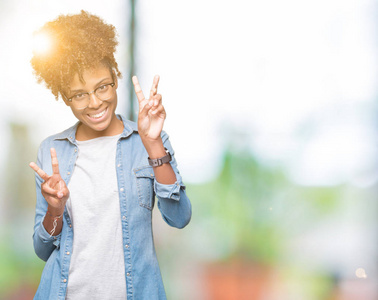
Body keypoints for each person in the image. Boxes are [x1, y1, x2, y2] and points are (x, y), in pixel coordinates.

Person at [29, 10, 191, 300]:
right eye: (79, 94)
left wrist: (152, 144)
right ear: (64, 96)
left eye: (102, 86)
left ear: (115, 76)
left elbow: (179, 217)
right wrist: (55, 209)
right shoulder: (51, 150)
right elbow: (42, 250)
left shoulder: (149, 140)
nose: (94, 103)